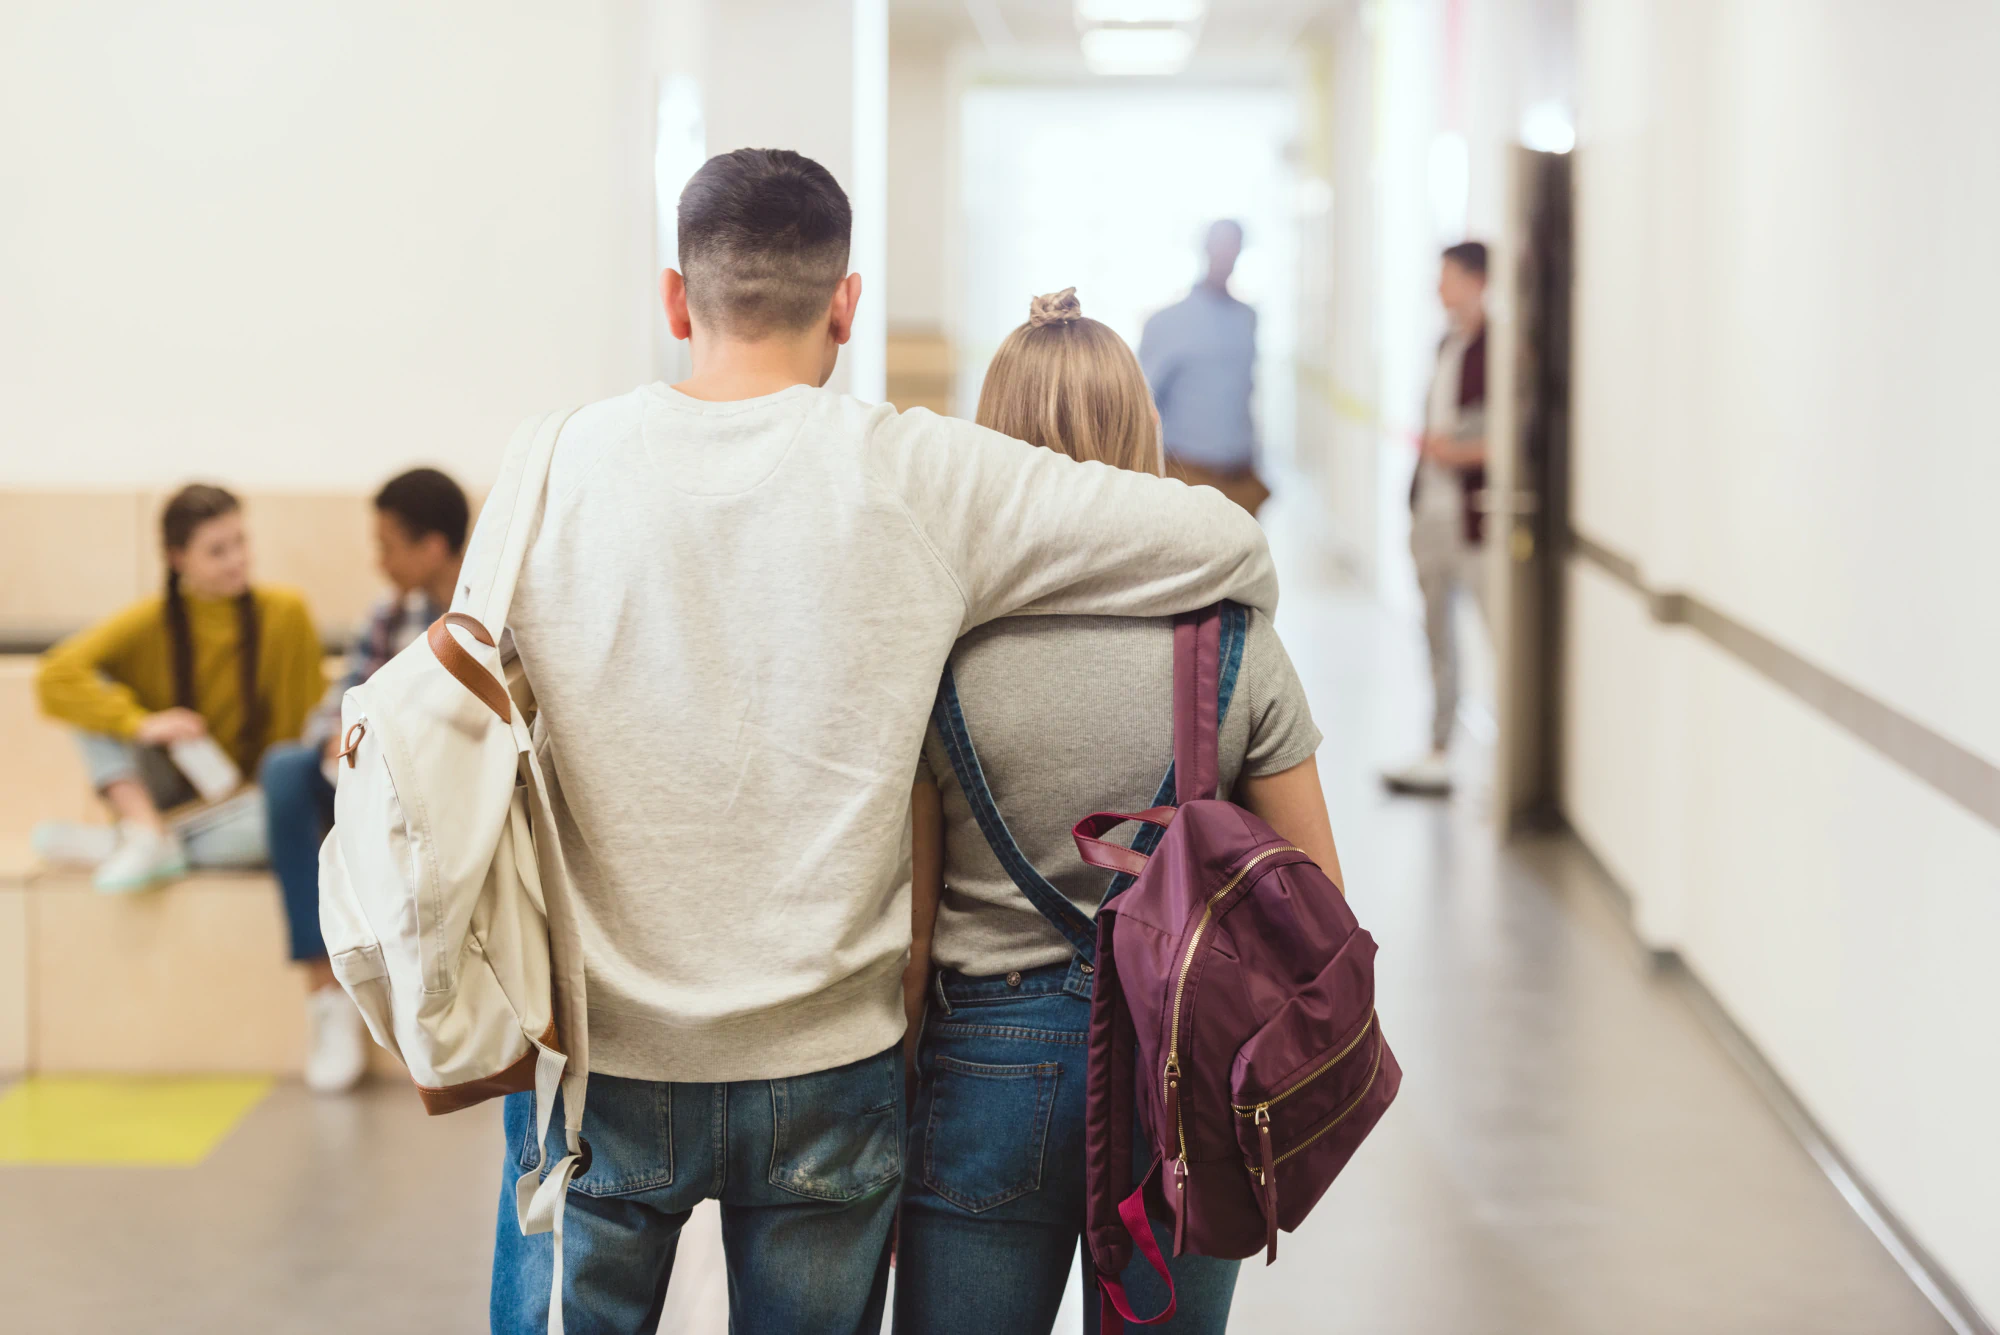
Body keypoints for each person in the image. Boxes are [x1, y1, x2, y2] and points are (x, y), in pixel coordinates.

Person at [489, 149, 1279, 1335]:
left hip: (608, 1054)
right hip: (822, 1062)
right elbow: (1222, 541)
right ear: (845, 307)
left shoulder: (547, 465)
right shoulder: (915, 468)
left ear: (673, 297)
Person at [894, 289, 1342, 1335]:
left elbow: (906, 940)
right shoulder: (1234, 637)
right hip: (1182, 1071)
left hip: (985, 1065)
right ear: (1141, 430)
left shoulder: (940, 638)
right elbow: (1313, 902)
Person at [260, 467, 469, 1094]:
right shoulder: (387, 615)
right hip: (366, 775)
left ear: (431, 547)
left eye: (387, 544)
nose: (378, 559)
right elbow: (338, 704)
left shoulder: (488, 616)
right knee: (284, 770)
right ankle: (326, 996)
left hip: (445, 789)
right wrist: (334, 735)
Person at [33, 485, 324, 892]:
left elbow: (301, 731)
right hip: (165, 790)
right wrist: (141, 724)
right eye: (217, 551)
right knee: (88, 690)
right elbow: (55, 675)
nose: (237, 560)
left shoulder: (285, 613)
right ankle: (144, 829)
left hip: (243, 806)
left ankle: (132, 842)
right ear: (177, 558)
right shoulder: (151, 620)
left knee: (280, 824)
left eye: (240, 542)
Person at [1383, 241, 1490, 797]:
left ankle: (1509, 765)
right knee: (1437, 639)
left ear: (1477, 280)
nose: (1438, 287)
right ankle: (1439, 750)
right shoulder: (1445, 343)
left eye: (1446, 276)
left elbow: (1504, 440)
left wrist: (1452, 451)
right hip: (1430, 513)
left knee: (1494, 635)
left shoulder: (1497, 348)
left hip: (1477, 522)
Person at [1139, 219, 1267, 515]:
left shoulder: (1247, 319)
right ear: (1205, 249)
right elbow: (1142, 405)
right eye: (1220, 245)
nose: (1226, 254)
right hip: (1189, 481)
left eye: (1233, 246)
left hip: (1242, 479)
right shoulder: (1166, 323)